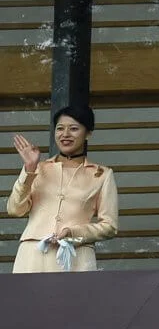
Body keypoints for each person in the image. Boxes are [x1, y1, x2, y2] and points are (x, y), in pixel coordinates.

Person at [7, 105, 118, 273]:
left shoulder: (102, 174)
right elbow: (15, 210)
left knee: (75, 300)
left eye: (73, 128)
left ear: (88, 133)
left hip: (76, 255)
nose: (65, 134)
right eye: (60, 128)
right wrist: (29, 169)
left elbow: (110, 226)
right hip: (32, 254)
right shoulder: (38, 168)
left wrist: (73, 232)